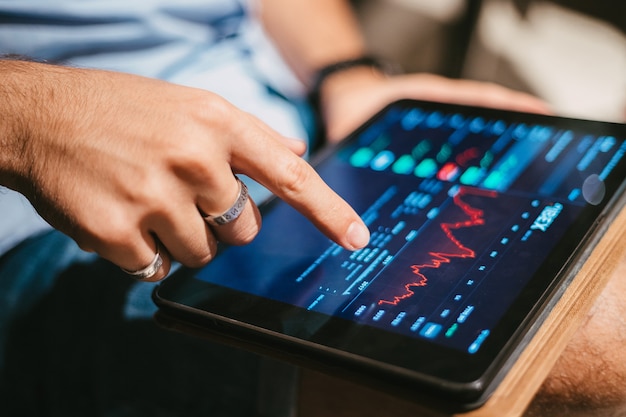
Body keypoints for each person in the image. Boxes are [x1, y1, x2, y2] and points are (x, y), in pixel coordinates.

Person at [0, 0, 610, 416]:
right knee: (607, 338)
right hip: (54, 217)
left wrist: (348, 75)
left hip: (300, 125)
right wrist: (32, 120)